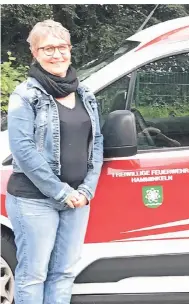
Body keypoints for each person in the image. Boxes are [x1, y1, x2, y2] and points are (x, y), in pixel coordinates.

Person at [6, 20, 104, 304]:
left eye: (62, 47)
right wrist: (61, 192)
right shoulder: (25, 95)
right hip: (34, 200)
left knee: (63, 273)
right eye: (48, 48)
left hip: (77, 201)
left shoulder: (85, 93)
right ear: (35, 53)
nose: (56, 54)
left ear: (70, 50)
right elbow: (23, 150)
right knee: (33, 275)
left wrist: (87, 190)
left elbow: (96, 141)